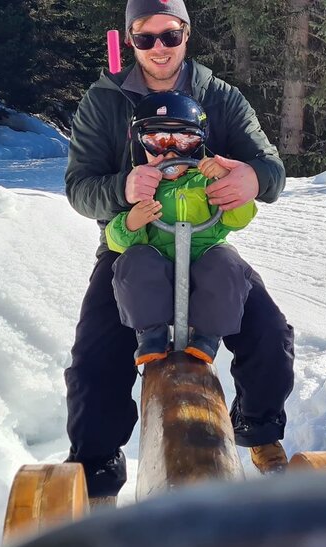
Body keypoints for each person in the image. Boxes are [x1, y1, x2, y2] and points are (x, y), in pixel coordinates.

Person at [63, 0, 294, 500]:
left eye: (170, 35)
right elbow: (79, 187)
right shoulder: (103, 103)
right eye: (145, 38)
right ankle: (95, 472)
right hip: (133, 245)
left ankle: (258, 429)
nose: (159, 48)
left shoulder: (219, 96)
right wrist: (124, 189)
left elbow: (270, 167)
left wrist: (253, 178)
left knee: (270, 333)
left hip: (205, 241)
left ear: (187, 34)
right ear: (130, 40)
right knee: (96, 355)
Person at [107, 90, 257, 366]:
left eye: (185, 141)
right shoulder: (142, 183)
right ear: (141, 145)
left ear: (199, 145)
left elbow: (239, 219)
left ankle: (208, 334)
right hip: (159, 258)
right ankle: (150, 332)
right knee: (134, 262)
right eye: (157, 141)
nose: (171, 152)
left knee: (227, 263)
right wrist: (132, 222)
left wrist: (227, 184)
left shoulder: (204, 181)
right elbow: (115, 239)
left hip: (203, 256)